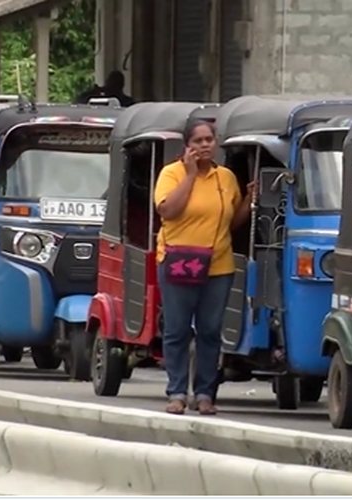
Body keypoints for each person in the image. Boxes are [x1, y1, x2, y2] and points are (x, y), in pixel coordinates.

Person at [153, 119, 255, 415]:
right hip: (179, 262)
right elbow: (168, 211)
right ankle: (176, 392)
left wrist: (249, 200)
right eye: (197, 141)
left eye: (209, 139)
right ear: (187, 146)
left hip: (218, 265)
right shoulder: (171, 174)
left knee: (210, 331)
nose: (204, 145)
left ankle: (205, 393)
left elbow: (231, 222)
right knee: (177, 330)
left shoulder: (225, 178)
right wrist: (189, 174)